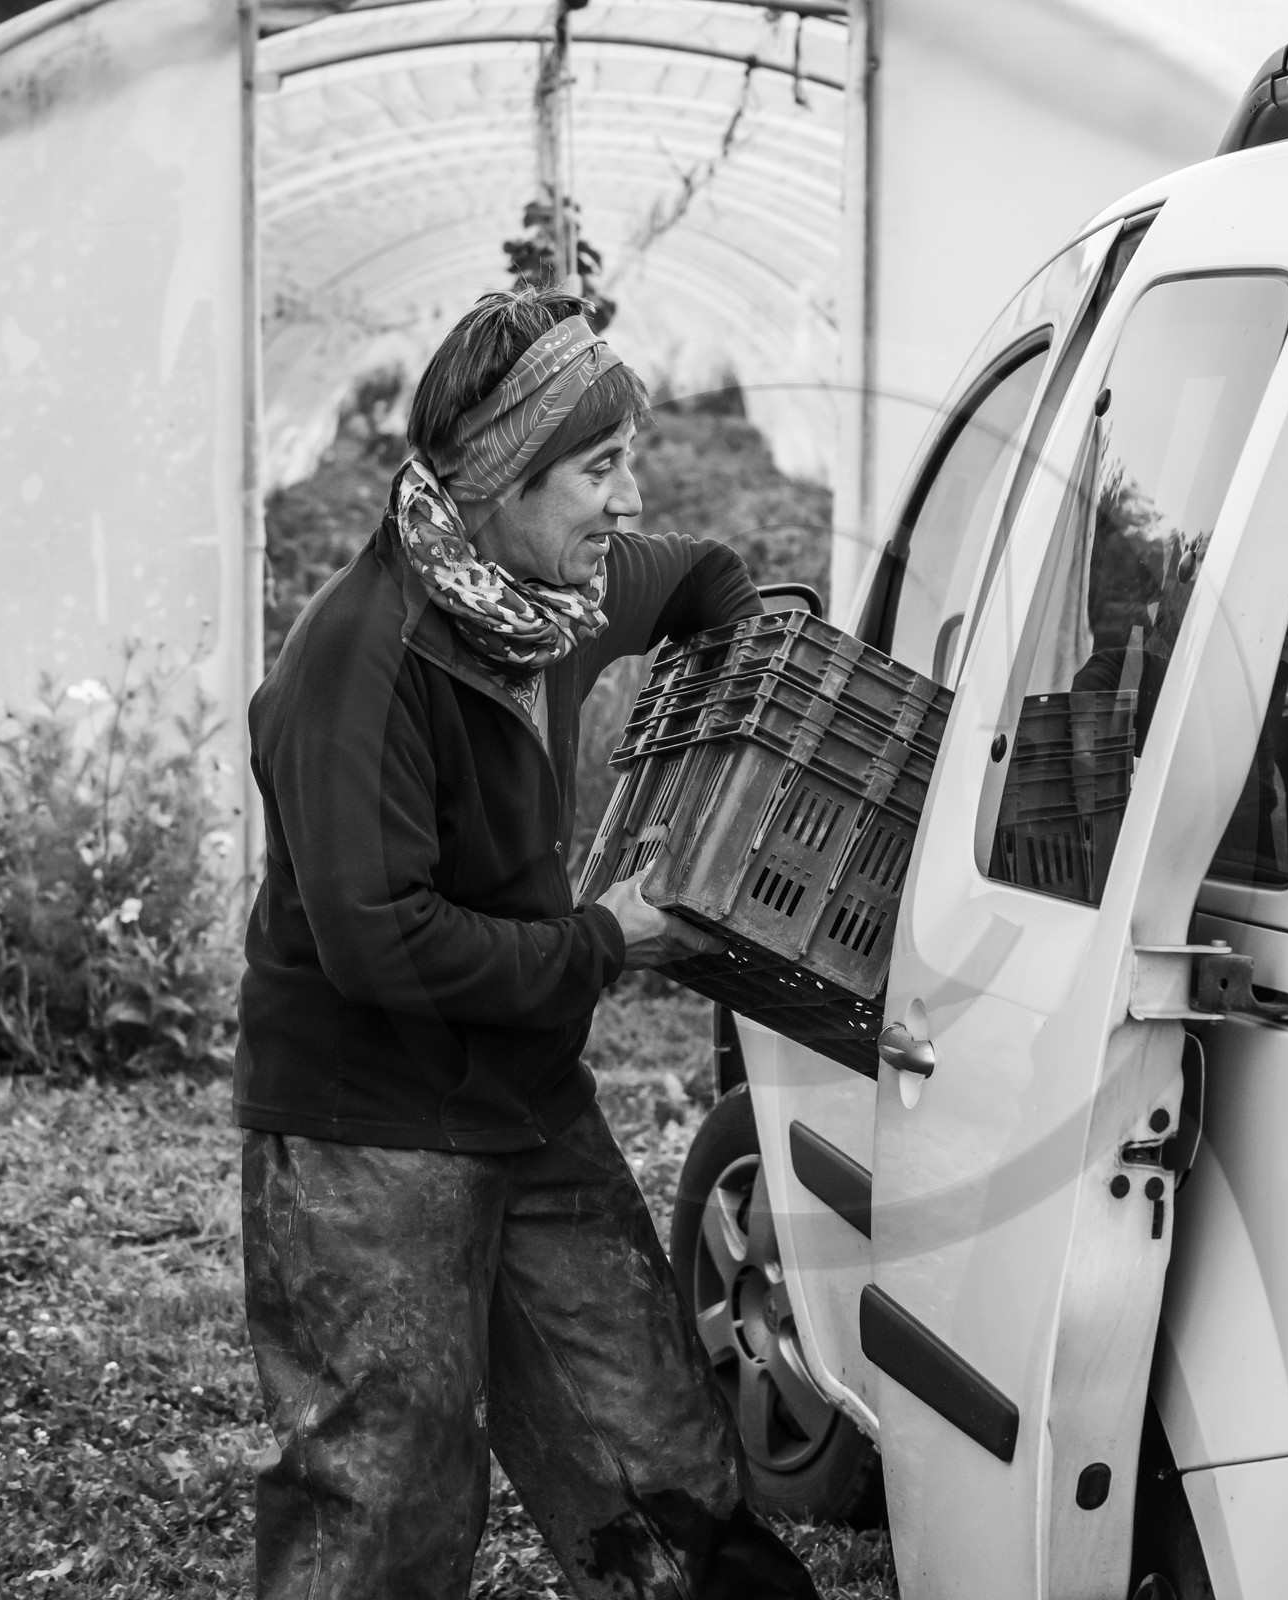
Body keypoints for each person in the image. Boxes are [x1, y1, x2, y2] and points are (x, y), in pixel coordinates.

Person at [234, 286, 822, 1600]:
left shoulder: (553, 588)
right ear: (500, 476)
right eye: (598, 467)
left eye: (630, 462)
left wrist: (750, 723)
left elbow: (703, 580)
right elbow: (383, 945)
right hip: (364, 1128)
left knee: (658, 1454)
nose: (626, 498)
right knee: (383, 1494)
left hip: (522, 1099)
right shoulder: (359, 665)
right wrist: (604, 941)